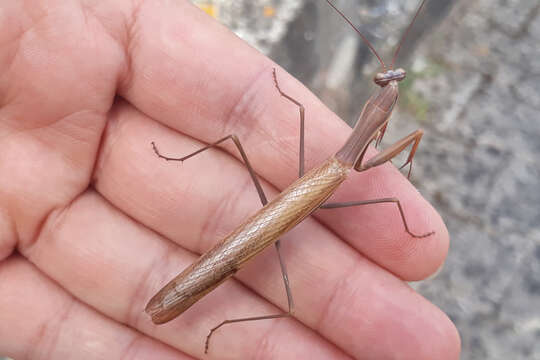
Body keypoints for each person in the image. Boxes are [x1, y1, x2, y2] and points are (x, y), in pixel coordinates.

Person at [0, 1, 460, 358]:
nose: (388, 81)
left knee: (288, 292)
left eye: (390, 81)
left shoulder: (346, 158)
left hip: (298, 199)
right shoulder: (351, 162)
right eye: (388, 81)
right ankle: (203, 313)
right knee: (294, 300)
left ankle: (209, 315)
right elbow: (366, 158)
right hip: (297, 202)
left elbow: (361, 152)